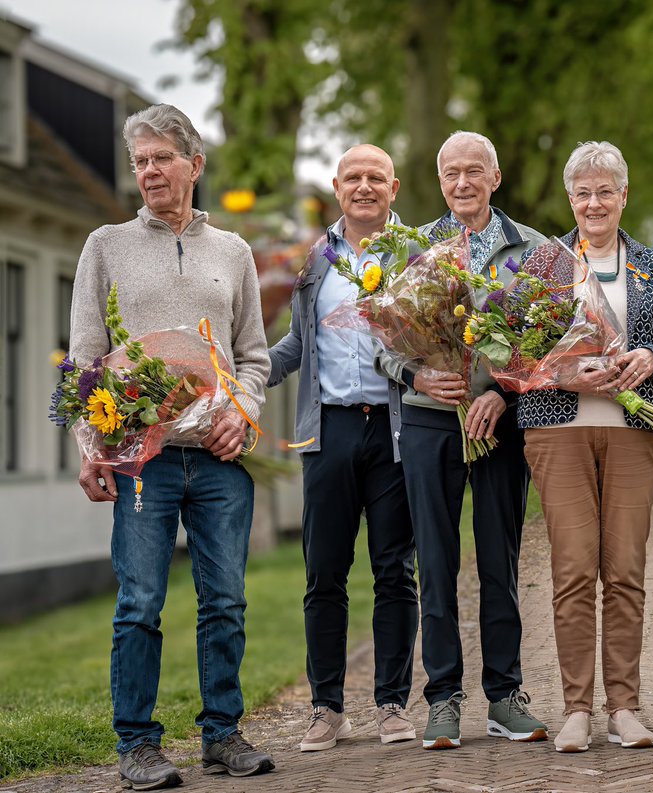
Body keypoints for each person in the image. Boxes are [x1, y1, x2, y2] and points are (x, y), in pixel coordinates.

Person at [70, 104, 274, 789]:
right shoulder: (105, 245)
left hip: (218, 459)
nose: (150, 171)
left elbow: (254, 357)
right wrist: (89, 445)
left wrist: (241, 411)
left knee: (226, 601)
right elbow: (86, 361)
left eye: (162, 157)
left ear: (195, 164)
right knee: (140, 602)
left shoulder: (235, 253)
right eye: (141, 162)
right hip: (140, 463)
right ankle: (137, 744)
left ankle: (223, 736)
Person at [520, 141, 653, 753]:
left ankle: (625, 705)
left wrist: (650, 357)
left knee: (624, 570)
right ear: (572, 199)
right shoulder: (543, 266)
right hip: (557, 430)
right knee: (573, 570)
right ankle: (576, 709)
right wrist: (562, 372)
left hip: (634, 434)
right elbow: (511, 355)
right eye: (584, 193)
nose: (594, 203)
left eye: (606, 191)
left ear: (624, 196)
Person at [377, 131, 547, 750]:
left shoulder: (531, 250)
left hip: (499, 422)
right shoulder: (413, 249)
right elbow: (381, 342)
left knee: (500, 561)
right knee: (437, 563)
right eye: (451, 173)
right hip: (429, 420)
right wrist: (417, 372)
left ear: (494, 178)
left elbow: (549, 339)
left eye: (474, 171)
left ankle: (505, 695)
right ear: (441, 181)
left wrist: (505, 392)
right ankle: (443, 698)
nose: (462, 183)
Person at [268, 144, 420, 751]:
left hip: (395, 431)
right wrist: (240, 373)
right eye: (353, 177)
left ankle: (390, 705)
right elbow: (293, 345)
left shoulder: (416, 258)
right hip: (328, 430)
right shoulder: (313, 261)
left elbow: (433, 342)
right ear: (336, 186)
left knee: (395, 571)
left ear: (394, 187)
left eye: (375, 178)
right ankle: (326, 708)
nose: (364, 187)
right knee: (323, 572)